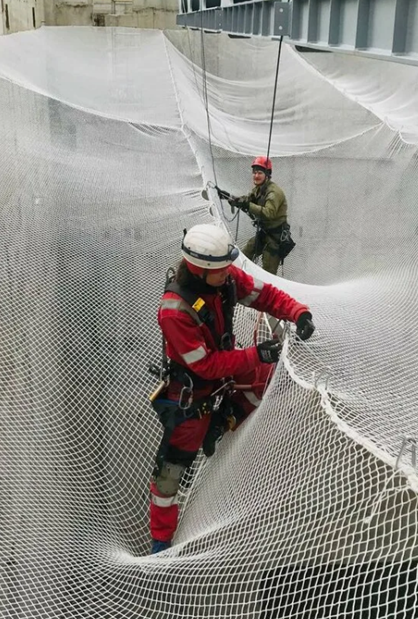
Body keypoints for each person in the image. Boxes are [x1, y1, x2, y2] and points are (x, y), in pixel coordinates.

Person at [148, 223, 315, 554]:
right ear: (200, 269)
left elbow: (264, 295)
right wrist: (255, 355)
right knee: (169, 475)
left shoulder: (224, 281)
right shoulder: (174, 312)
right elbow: (205, 365)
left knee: (268, 376)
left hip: (224, 376)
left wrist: (298, 313)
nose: (229, 271)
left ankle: (224, 421)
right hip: (192, 397)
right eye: (222, 268)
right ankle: (160, 543)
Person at [227, 156, 294, 275]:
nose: (256, 176)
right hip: (264, 233)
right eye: (254, 173)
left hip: (275, 238)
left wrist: (248, 205)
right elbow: (249, 198)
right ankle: (237, 278)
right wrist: (236, 200)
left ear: (267, 175)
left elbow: (269, 213)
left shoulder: (273, 192)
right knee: (245, 255)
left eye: (260, 173)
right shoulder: (259, 189)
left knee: (268, 272)